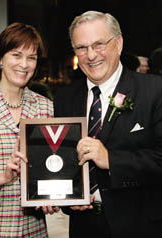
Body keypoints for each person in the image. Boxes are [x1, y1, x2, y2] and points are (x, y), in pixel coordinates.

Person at [53, 10, 162, 238]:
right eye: (81, 48)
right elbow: (63, 161)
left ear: (119, 43)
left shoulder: (155, 91)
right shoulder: (64, 99)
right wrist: (67, 199)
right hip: (83, 227)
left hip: (141, 226)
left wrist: (111, 160)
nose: (91, 55)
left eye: (99, 44)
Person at [0, 22, 54, 237]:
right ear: (0, 59)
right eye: (16, 55)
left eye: (31, 58)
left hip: (34, 230)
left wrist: (54, 197)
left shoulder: (46, 107)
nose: (24, 64)